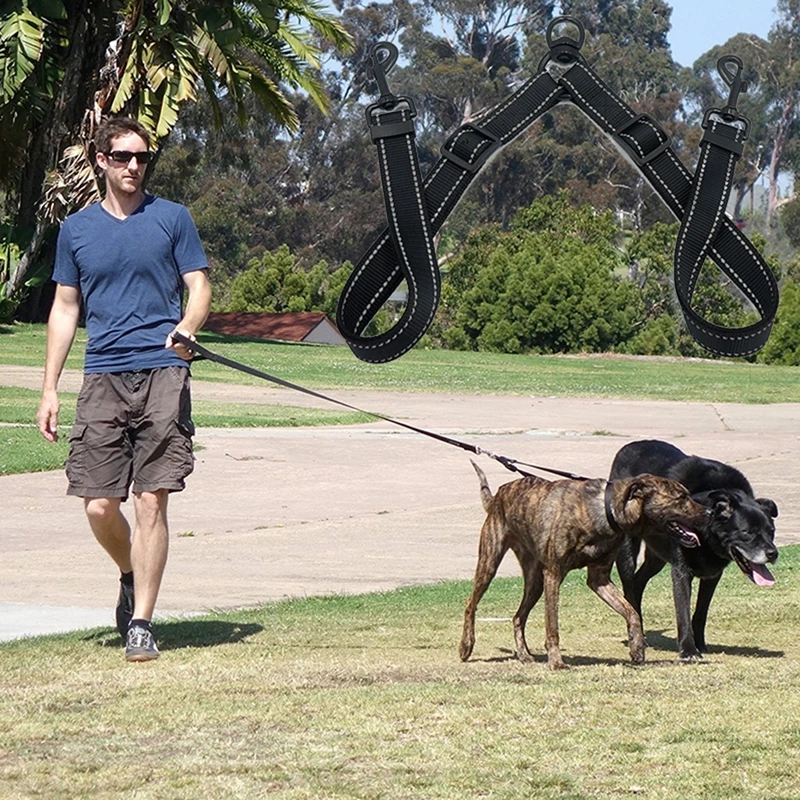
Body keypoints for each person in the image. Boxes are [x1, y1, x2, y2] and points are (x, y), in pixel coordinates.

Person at [37, 117, 211, 662]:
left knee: (152, 500)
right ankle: (130, 572)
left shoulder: (172, 219)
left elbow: (200, 285)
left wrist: (188, 328)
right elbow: (65, 308)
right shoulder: (77, 231)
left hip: (162, 370)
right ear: (101, 162)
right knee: (97, 506)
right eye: (122, 156)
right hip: (103, 375)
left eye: (142, 157)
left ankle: (141, 624)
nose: (134, 165)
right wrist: (49, 388)